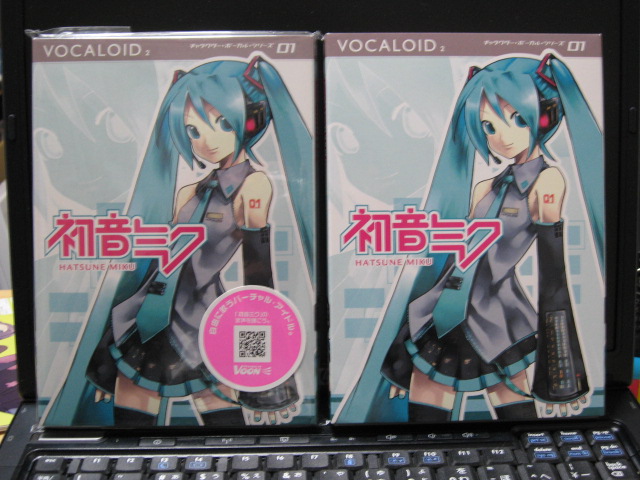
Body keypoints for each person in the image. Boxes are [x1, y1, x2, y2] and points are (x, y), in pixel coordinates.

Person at [45, 56, 314, 427]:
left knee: (222, 423)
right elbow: (159, 265)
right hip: (151, 313)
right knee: (131, 425)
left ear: (250, 121)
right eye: (192, 130)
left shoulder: (253, 186)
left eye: (222, 123)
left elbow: (257, 276)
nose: (205, 142)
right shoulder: (189, 192)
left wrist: (264, 372)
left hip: (202, 318)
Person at [337, 53, 604, 422]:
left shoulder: (547, 182)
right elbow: (457, 264)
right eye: (489, 127)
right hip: (448, 309)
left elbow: (553, 273)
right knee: (428, 412)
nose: (501, 138)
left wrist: (562, 367)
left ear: (545, 117)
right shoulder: (485, 188)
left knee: (513, 412)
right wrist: (403, 351)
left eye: (517, 119)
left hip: (497, 316)